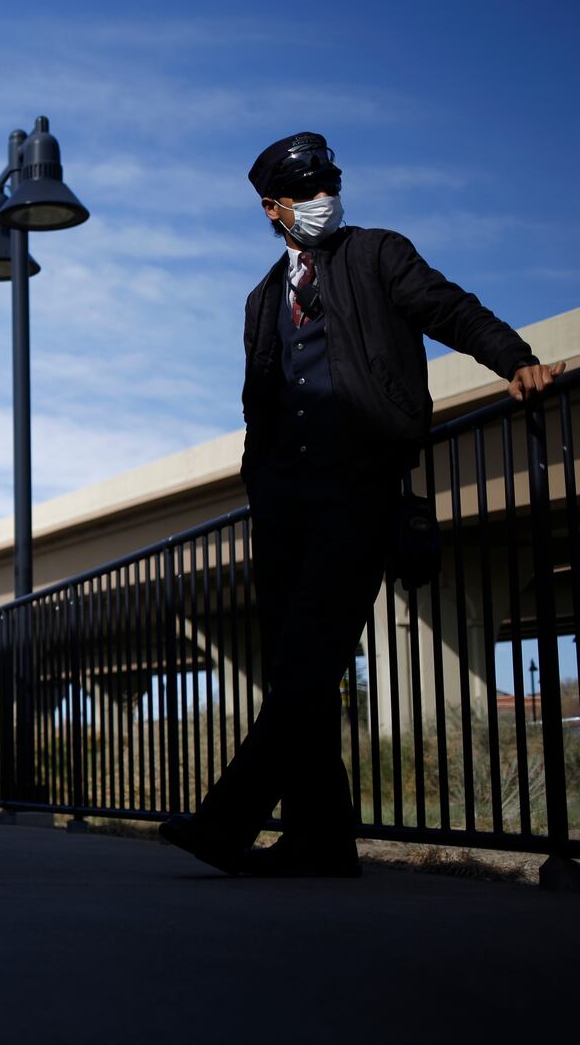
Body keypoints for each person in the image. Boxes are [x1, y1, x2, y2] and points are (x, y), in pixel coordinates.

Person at [159, 132, 565, 877]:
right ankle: (322, 838)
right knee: (292, 667)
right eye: (303, 192)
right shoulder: (259, 302)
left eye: (327, 185)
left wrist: (516, 359)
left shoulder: (378, 255)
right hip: (285, 504)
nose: (320, 201)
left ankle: (226, 823)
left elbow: (450, 309)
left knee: (310, 659)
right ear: (271, 209)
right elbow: (261, 405)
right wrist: (261, 482)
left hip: (360, 490)